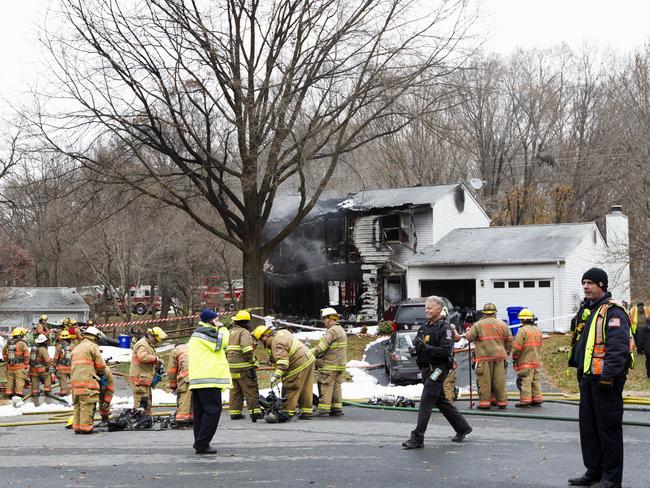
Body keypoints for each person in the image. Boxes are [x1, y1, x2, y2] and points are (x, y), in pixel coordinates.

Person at [567, 268, 634, 488]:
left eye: (590, 283)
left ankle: (611, 479)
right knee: (589, 429)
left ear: (602, 285)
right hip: (588, 380)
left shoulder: (613, 312)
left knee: (608, 431)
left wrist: (608, 376)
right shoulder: (589, 310)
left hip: (606, 382)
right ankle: (594, 472)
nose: (585, 286)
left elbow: (618, 348)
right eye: (583, 282)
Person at [402, 296, 472, 449]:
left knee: (426, 401)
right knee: (440, 401)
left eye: (430, 308)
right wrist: (415, 350)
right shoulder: (424, 327)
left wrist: (427, 348)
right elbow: (419, 347)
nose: (427, 310)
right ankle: (462, 428)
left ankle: (417, 438)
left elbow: (445, 351)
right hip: (427, 369)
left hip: (439, 369)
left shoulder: (445, 328)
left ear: (439, 309)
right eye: (426, 307)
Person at [188, 309, 232, 455]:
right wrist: (223, 327)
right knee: (213, 411)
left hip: (200, 380)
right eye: (217, 319)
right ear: (210, 320)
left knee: (201, 413)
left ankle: (200, 443)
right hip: (208, 380)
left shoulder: (200, 333)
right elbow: (222, 342)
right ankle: (202, 443)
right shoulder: (205, 333)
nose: (218, 321)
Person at [252, 323, 315, 420]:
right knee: (305, 388)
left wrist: (276, 376)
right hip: (308, 359)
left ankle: (286, 412)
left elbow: (283, 363)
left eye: (260, 340)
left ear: (264, 337)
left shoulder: (276, 343)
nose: (261, 343)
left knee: (291, 386)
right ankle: (306, 412)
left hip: (297, 364)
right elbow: (286, 351)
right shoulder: (281, 333)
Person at [465, 302, 513, 409]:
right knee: (499, 381)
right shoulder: (503, 324)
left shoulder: (478, 325)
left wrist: (468, 331)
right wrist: (506, 352)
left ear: (484, 313)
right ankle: (501, 402)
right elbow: (509, 340)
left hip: (484, 358)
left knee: (484, 381)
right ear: (495, 313)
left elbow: (469, 338)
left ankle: (485, 403)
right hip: (500, 357)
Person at [70, 326, 108, 434]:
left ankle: (77, 426)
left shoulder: (77, 347)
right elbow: (101, 365)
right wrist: (102, 375)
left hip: (75, 383)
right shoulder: (92, 346)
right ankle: (86, 428)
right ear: (95, 337)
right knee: (87, 404)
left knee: (78, 405)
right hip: (87, 382)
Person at [311, 307, 347, 417]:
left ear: (329, 318)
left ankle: (323, 410)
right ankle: (336, 409)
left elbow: (322, 347)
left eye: (324, 319)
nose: (323, 322)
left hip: (330, 365)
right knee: (336, 387)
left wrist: (309, 352)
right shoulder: (340, 329)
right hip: (339, 365)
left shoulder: (331, 331)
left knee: (325, 386)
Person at [225, 310, 261, 421]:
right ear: (246, 322)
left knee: (235, 391)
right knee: (250, 389)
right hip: (243, 367)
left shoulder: (230, 332)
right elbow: (247, 349)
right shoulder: (244, 332)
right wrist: (252, 361)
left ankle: (235, 413)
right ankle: (255, 413)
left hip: (231, 367)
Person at [128, 326, 167, 414]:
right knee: (141, 401)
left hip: (144, 378)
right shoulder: (142, 344)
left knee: (146, 400)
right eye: (156, 340)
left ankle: (146, 418)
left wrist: (157, 363)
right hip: (139, 379)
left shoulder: (148, 344)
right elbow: (143, 357)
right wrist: (155, 359)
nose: (157, 342)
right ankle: (138, 420)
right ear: (152, 336)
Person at [512, 309, 543, 408]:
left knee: (525, 381)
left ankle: (525, 401)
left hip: (525, 362)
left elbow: (517, 348)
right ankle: (537, 399)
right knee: (535, 381)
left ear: (523, 320)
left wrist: (515, 357)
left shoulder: (522, 331)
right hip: (536, 361)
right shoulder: (537, 330)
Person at [167, 343, 193, 426]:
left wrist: (173, 385)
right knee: (194, 397)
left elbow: (172, 370)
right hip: (199, 375)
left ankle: (182, 419)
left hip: (187, 376)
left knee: (185, 397)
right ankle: (192, 418)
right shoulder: (190, 347)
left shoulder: (175, 351)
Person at [2, 327, 30, 399]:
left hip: (10, 367)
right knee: (19, 380)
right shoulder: (22, 343)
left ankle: (9, 393)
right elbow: (26, 355)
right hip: (20, 367)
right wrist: (26, 363)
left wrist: (7, 361)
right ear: (20, 335)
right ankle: (18, 395)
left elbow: (4, 353)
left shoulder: (8, 343)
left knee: (10, 380)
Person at [53, 330, 74, 396]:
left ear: (61, 337)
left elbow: (56, 357)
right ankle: (74, 392)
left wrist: (54, 364)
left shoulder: (59, 346)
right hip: (71, 367)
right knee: (73, 380)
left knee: (63, 381)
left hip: (62, 368)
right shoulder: (73, 345)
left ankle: (63, 392)